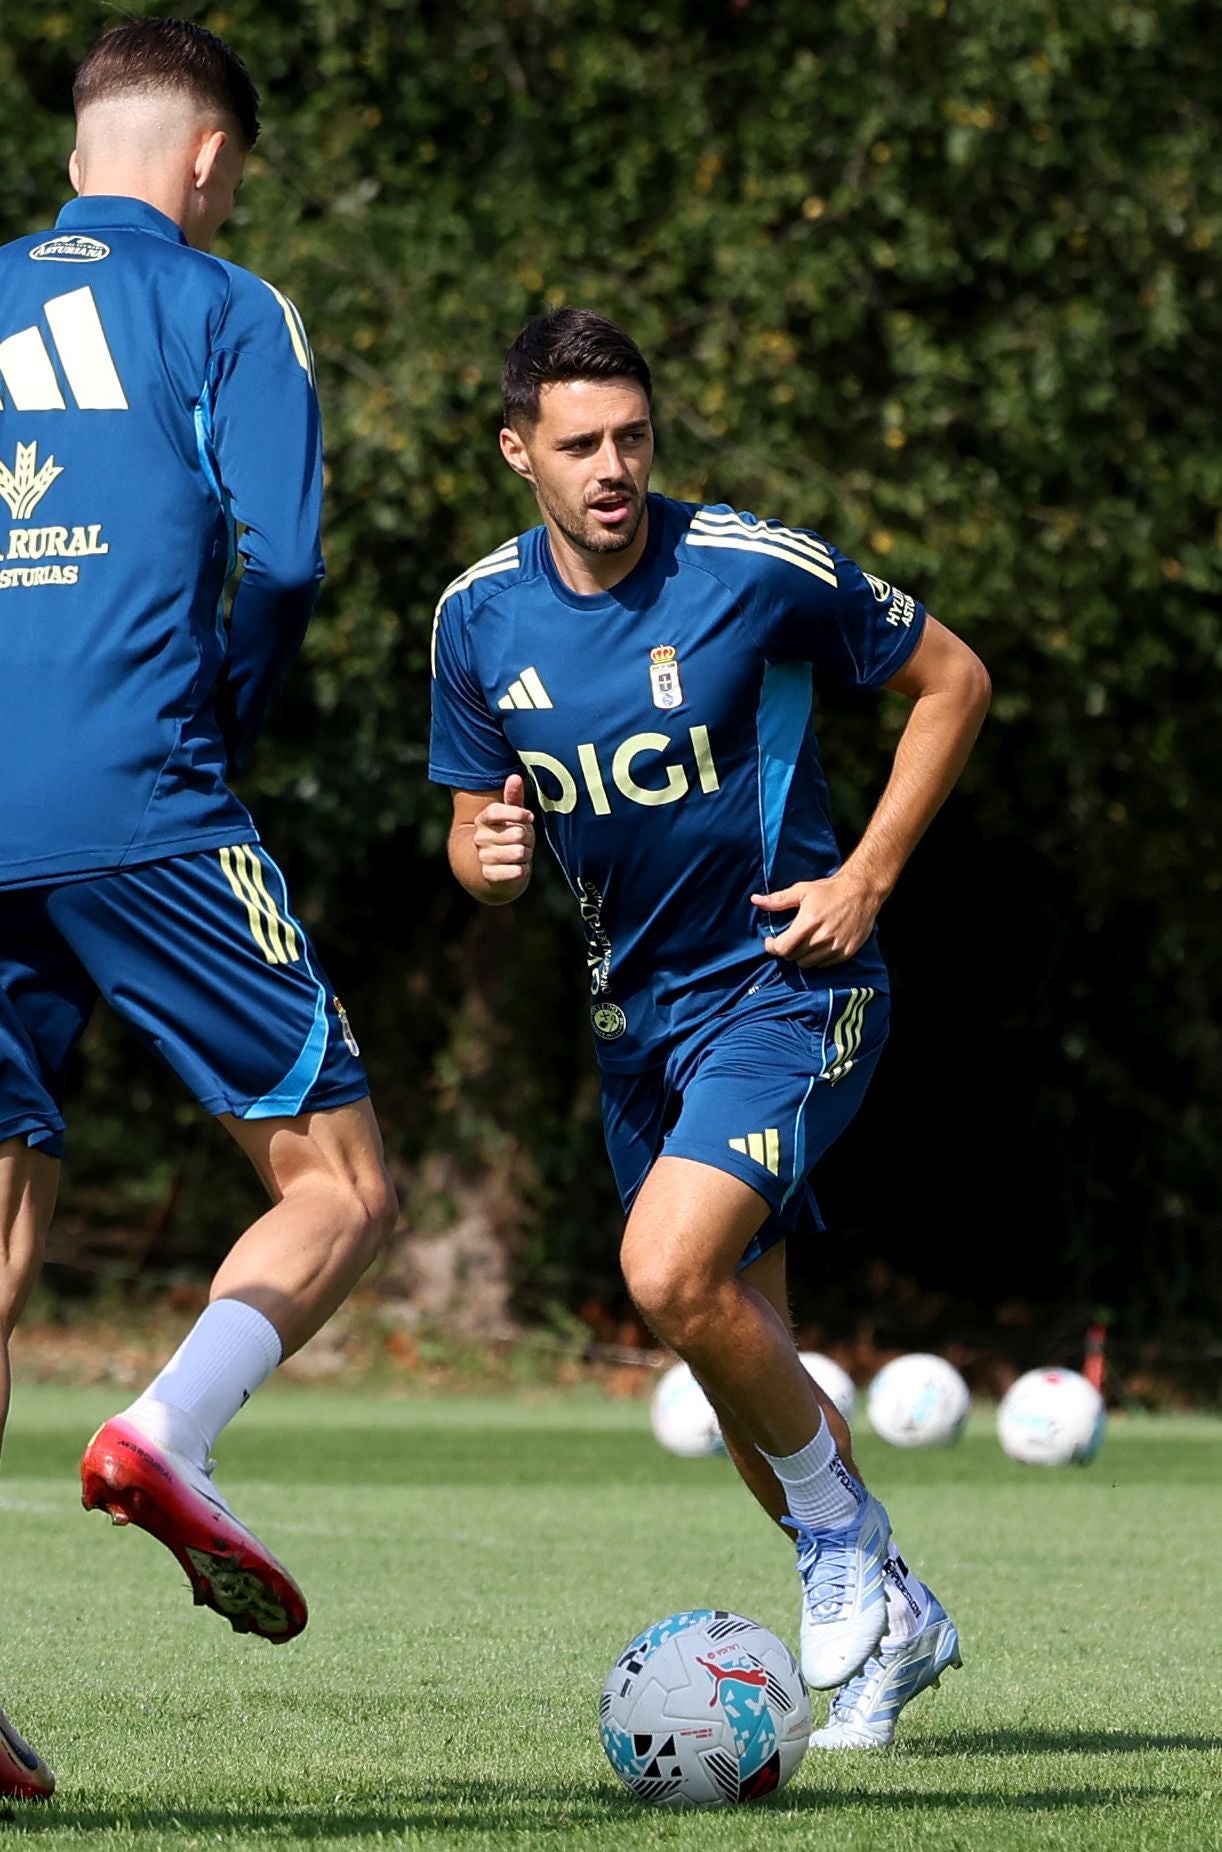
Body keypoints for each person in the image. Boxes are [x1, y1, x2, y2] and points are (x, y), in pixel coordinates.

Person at [429, 308, 990, 1751]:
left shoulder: (750, 568)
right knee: (745, 1356)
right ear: (517, 454)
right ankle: (897, 1620)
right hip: (637, 1027)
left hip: (786, 988)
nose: (612, 466)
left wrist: (865, 875)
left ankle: (842, 1536)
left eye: (632, 436)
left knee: (665, 1270)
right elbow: (471, 823)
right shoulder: (475, 616)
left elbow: (954, 680)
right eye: (578, 444)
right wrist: (476, 859)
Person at [0, 19, 397, 1799]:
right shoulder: (227, 304)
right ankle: (168, 1430)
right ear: (213, 160)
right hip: (139, 799)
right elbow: (290, 557)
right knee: (344, 1184)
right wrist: (221, 715)